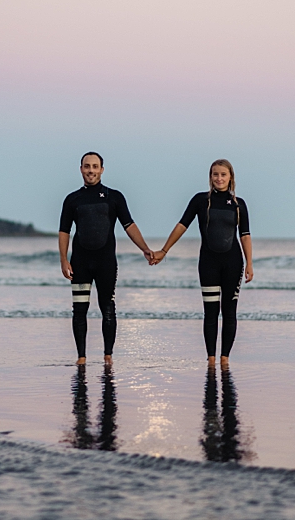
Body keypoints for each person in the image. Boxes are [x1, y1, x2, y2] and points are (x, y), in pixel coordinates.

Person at [151, 159, 253, 368]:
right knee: (210, 312)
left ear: (230, 177)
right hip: (208, 263)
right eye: (215, 174)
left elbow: (245, 235)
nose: (219, 178)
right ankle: (211, 359)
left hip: (233, 262)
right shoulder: (200, 201)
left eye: (223, 174)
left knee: (230, 311)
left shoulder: (238, 204)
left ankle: (225, 359)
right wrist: (164, 250)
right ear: (210, 177)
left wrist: (250, 263)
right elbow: (182, 226)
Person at [59, 152, 153, 365]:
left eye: (95, 166)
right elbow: (64, 231)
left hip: (105, 263)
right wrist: (64, 260)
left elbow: (129, 225)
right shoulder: (72, 199)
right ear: (81, 169)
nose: (90, 170)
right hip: (80, 262)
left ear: (102, 169)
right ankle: (81, 357)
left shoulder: (114, 197)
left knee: (108, 308)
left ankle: (108, 356)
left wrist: (145, 249)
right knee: (79, 310)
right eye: (86, 166)